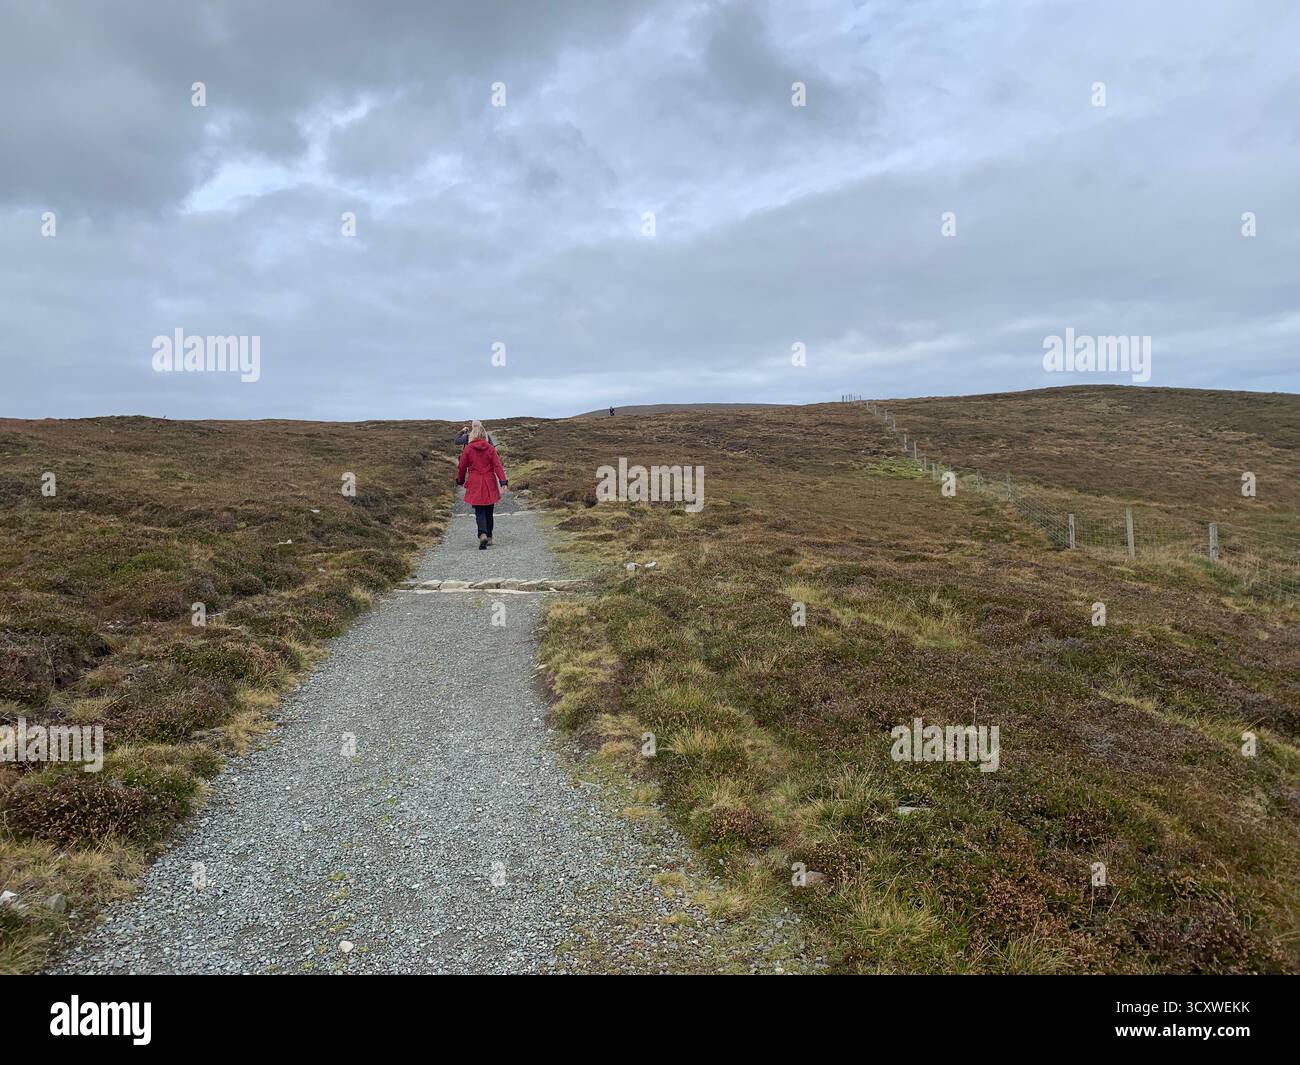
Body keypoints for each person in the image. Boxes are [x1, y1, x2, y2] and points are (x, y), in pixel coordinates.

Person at [456, 425, 508, 549]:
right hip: (489, 482)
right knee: (489, 510)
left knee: (479, 511)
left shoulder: (468, 449)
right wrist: (503, 482)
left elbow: (462, 467)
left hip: (475, 482)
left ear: (473, 435)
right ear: (484, 435)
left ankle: (482, 534)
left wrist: (460, 480)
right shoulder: (490, 448)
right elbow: (498, 466)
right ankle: (489, 536)